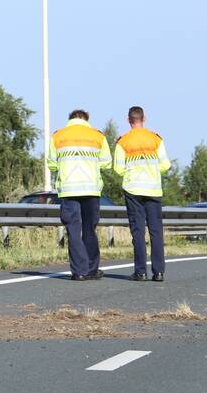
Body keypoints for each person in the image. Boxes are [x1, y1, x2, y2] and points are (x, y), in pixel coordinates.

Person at [47, 109, 112, 281]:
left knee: (74, 231)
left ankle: (79, 272)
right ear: (86, 119)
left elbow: (52, 164)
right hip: (91, 189)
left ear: (70, 119)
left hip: (69, 189)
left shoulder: (58, 136)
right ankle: (91, 269)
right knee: (90, 229)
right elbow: (106, 163)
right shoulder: (97, 136)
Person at [113, 106, 171, 281]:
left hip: (133, 189)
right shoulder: (155, 139)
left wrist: (132, 174)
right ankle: (159, 272)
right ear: (144, 118)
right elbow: (165, 164)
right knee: (156, 231)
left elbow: (117, 168)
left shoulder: (123, 141)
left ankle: (140, 272)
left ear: (128, 120)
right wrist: (152, 172)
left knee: (138, 231)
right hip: (153, 188)